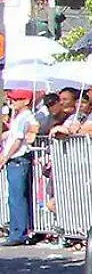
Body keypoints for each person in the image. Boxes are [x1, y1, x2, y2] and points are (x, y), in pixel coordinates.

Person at [1, 90, 39, 246]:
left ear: (26, 101)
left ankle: (19, 233)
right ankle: (18, 230)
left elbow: (18, 141)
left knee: (17, 197)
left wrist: (5, 156)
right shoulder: (19, 117)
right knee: (15, 196)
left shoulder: (25, 117)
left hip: (18, 159)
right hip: (17, 159)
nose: (13, 102)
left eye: (17, 100)